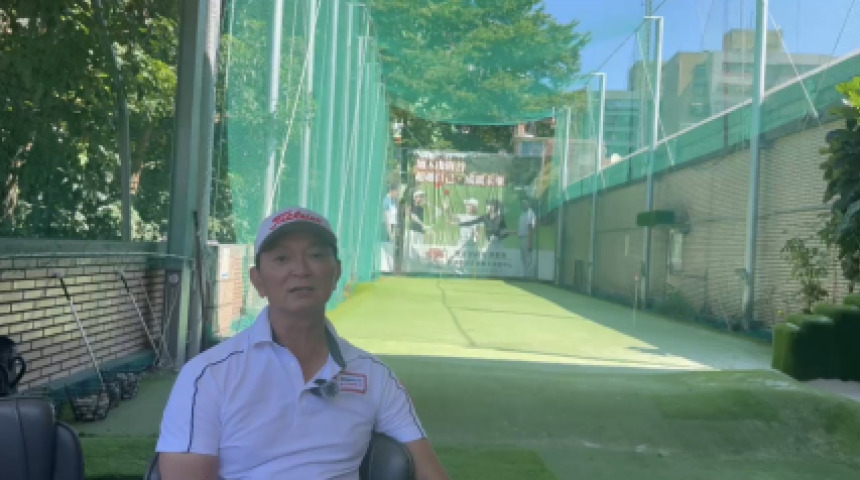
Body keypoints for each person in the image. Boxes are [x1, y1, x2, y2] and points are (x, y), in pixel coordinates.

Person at [155, 206, 450, 480]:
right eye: (282, 258)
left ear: (336, 273)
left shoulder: (375, 377)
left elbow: (430, 472)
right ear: (257, 280)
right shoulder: (207, 375)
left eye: (316, 255)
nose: (301, 269)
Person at [518, 198, 537, 278]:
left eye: (525, 203)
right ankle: (524, 276)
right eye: (522, 203)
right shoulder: (523, 214)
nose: (524, 205)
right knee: (523, 259)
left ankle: (529, 277)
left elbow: (530, 229)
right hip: (522, 238)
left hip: (527, 238)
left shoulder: (530, 213)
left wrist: (530, 243)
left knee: (528, 259)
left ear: (529, 203)